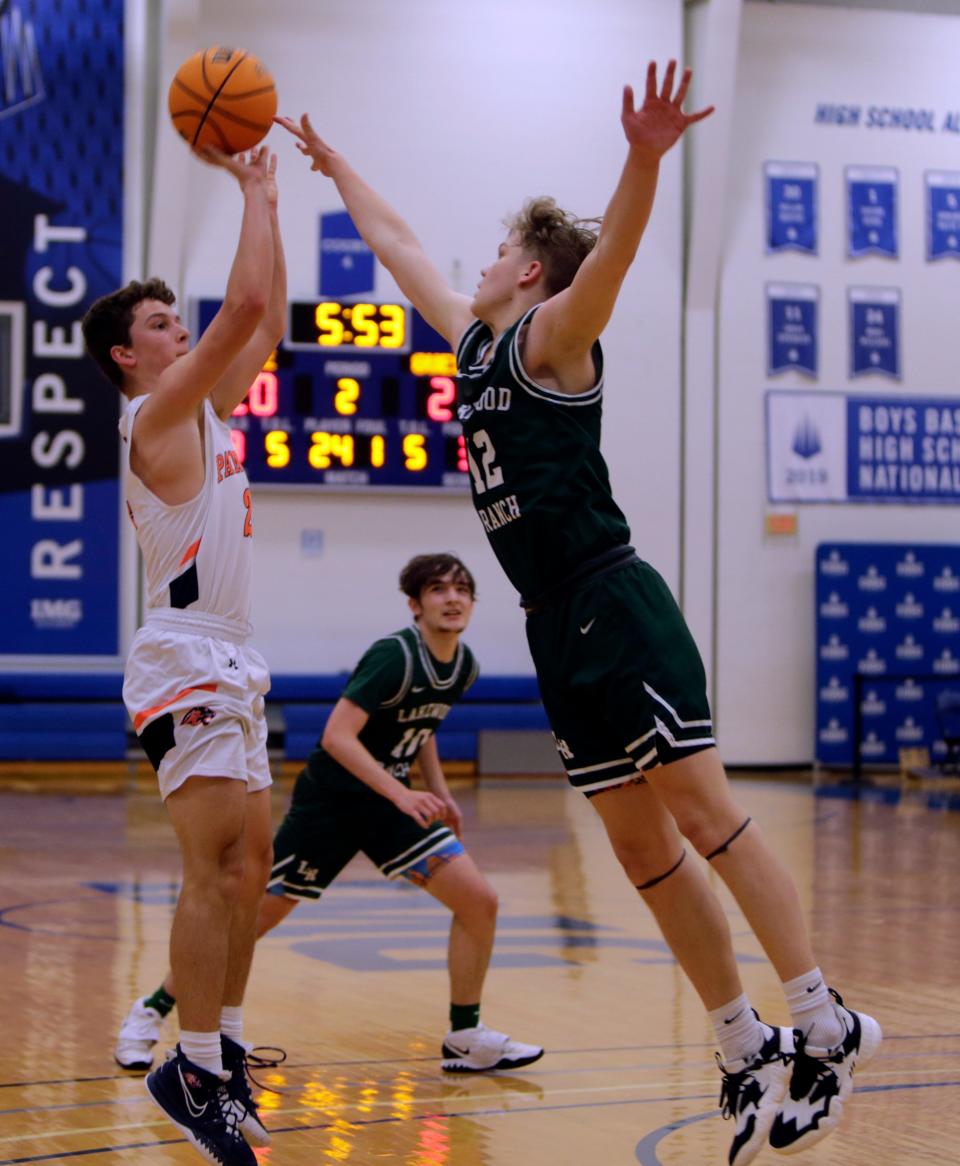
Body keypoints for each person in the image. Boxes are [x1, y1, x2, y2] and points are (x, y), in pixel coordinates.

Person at [275, 60, 881, 1166]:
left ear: (529, 268)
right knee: (641, 846)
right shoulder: (468, 337)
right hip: (553, 620)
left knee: (706, 815)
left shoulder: (554, 337)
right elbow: (398, 239)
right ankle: (744, 1043)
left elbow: (615, 258)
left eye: (502, 244)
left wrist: (643, 159)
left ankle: (824, 1013)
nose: (478, 256)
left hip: (615, 598)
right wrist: (338, 165)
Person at [115, 552, 543, 1077]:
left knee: (480, 901)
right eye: (438, 589)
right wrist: (405, 794)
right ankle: (150, 1013)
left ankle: (465, 1035)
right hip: (333, 806)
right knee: (245, 925)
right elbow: (336, 738)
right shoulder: (393, 656)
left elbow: (423, 725)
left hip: (389, 805)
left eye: (462, 590)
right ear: (415, 603)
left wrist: (438, 791)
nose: (452, 598)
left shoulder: (463, 665)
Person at [82, 147, 286, 1166]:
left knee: (252, 871)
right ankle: (193, 1066)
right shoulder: (155, 415)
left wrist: (275, 203)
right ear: (128, 355)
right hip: (185, 655)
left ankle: (226, 1049)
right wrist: (249, 190)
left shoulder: (202, 409)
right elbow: (244, 305)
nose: (177, 326)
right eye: (160, 321)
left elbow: (272, 316)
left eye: (175, 318)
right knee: (210, 872)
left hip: (234, 660)